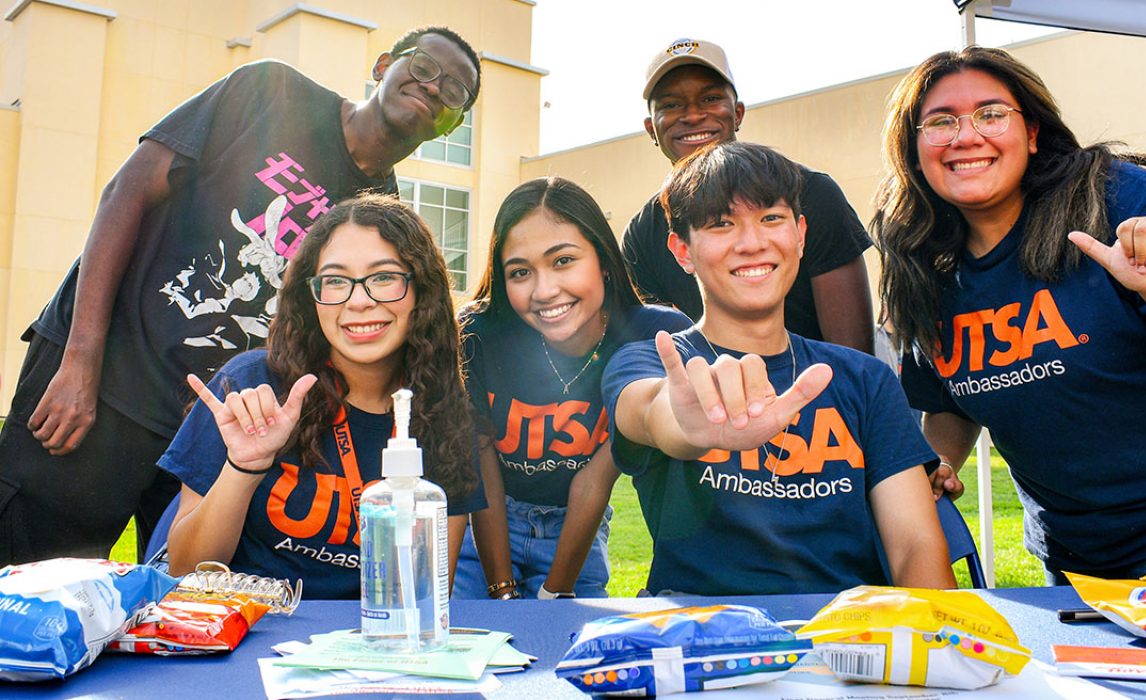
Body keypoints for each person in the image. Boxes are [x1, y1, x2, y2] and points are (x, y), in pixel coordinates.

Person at [0, 26, 482, 566]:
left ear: (452, 125)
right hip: (110, 380)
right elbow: (127, 192)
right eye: (422, 67)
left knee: (176, 604)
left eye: (455, 92)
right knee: (33, 579)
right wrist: (81, 357)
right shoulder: (271, 92)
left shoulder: (376, 212)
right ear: (384, 66)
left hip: (211, 423)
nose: (435, 87)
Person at [875, 46, 1146, 585]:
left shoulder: (1117, 199)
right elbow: (949, 401)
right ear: (915, 148)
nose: (965, 136)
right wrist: (935, 466)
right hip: (1080, 552)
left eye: (991, 114)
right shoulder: (922, 262)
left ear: (1034, 133)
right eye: (940, 122)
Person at [603, 142, 956, 596]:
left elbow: (915, 549)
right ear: (682, 250)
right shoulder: (653, 361)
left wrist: (932, 650)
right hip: (699, 642)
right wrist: (686, 424)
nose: (752, 243)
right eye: (721, 224)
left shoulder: (865, 380)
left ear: (801, 234)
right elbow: (651, 410)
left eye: (771, 218)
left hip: (847, 643)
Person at [159, 193, 484, 599]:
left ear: (422, 292)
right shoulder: (250, 386)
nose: (360, 301)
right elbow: (185, 570)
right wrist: (244, 468)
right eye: (335, 281)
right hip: (246, 638)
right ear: (311, 298)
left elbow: (425, 594)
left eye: (384, 277)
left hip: (369, 643)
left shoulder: (444, 415)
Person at [453, 177, 691, 600]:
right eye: (520, 272)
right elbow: (480, 466)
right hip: (488, 523)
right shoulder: (477, 335)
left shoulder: (653, 335)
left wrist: (555, 589)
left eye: (563, 261)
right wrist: (501, 588)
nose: (544, 291)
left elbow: (594, 479)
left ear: (602, 258)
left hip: (577, 527)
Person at [621, 38, 876, 354]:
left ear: (738, 113)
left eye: (710, 98)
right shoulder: (644, 232)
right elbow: (665, 354)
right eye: (672, 104)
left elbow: (854, 360)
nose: (693, 115)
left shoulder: (811, 192)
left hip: (819, 395)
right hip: (713, 399)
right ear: (650, 129)